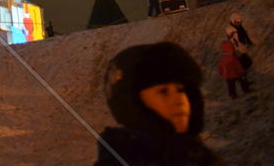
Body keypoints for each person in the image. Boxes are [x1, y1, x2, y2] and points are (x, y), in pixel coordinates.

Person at [94, 42, 223, 165]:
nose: (179, 100)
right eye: (163, 91)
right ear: (133, 104)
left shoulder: (203, 158)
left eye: (181, 90)